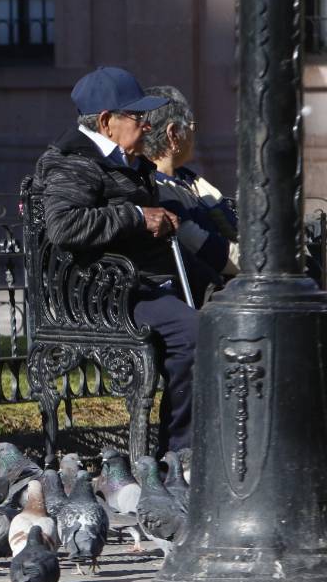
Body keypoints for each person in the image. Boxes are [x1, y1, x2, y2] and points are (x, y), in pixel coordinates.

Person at [32, 66, 213, 455]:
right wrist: (136, 216)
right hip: (105, 294)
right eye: (138, 117)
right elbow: (63, 226)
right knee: (193, 335)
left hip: (144, 280)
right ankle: (181, 453)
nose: (147, 126)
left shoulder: (127, 160)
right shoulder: (73, 161)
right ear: (105, 121)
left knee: (236, 313)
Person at [141, 85, 240, 279]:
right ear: (173, 134)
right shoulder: (158, 190)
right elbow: (209, 252)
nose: (193, 131)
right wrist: (271, 262)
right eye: (190, 125)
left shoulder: (187, 179)